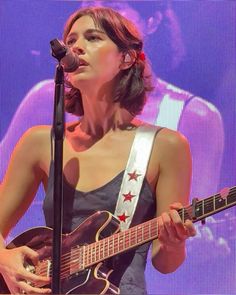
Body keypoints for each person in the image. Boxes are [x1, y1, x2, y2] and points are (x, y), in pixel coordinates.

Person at [0, 6, 196, 295]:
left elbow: (166, 264)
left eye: (92, 38)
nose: (76, 46)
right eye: (72, 40)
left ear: (127, 58)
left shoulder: (167, 146)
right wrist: (4, 259)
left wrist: (174, 240)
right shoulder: (40, 142)